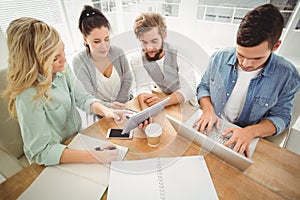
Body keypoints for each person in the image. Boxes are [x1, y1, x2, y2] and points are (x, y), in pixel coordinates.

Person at [2, 17, 125, 166]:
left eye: (63, 52)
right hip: (50, 159)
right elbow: (42, 152)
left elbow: (83, 98)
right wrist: (94, 156)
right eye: (55, 58)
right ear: (35, 62)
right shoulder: (27, 96)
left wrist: (106, 110)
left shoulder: (62, 69)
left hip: (74, 141)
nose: (65, 61)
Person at [195, 4, 300, 157]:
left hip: (246, 138)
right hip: (212, 127)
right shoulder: (219, 58)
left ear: (276, 46)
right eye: (241, 54)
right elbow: (203, 86)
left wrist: (250, 132)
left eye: (256, 58)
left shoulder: (287, 75)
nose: (245, 64)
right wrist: (208, 109)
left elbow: (282, 117)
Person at [131, 13, 196, 111]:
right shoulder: (137, 59)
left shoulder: (181, 53)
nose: (149, 48)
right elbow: (143, 86)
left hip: (185, 102)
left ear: (164, 35)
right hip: (162, 98)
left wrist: (163, 101)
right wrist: (146, 112)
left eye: (154, 41)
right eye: (144, 42)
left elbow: (190, 89)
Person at [73, 5, 133, 109]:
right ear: (85, 39)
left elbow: (128, 79)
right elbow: (89, 96)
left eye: (107, 39)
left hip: (127, 105)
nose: (104, 46)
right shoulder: (79, 61)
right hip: (103, 112)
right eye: (97, 41)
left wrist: (120, 105)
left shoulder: (118, 52)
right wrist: (109, 109)